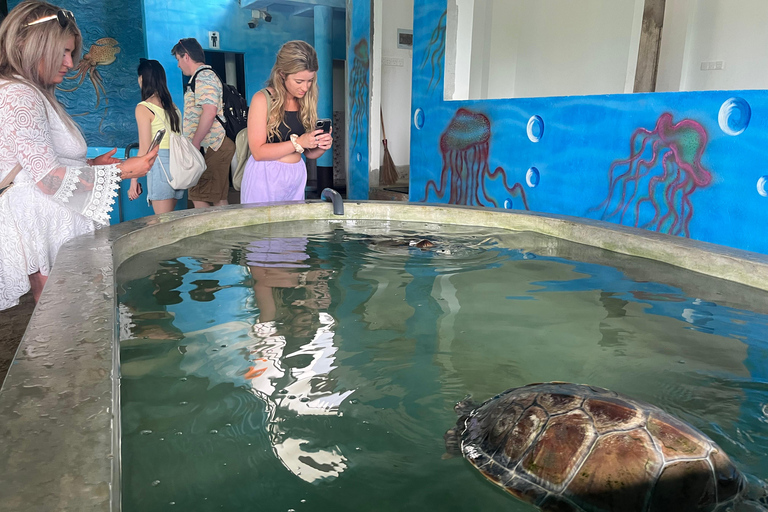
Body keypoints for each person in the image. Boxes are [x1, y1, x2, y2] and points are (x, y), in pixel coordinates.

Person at [0, 0, 158, 311]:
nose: (70, 63)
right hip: (41, 226)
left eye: (71, 53)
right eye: (63, 52)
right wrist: (125, 170)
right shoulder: (19, 94)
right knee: (66, 315)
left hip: (48, 222)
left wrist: (88, 164)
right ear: (30, 46)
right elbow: (47, 179)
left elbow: (37, 162)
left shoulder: (28, 90)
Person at [241, 40, 333, 204]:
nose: (305, 87)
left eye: (310, 80)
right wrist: (298, 142)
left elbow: (307, 153)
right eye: (299, 81)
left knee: (292, 228)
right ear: (282, 74)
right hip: (265, 177)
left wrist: (320, 146)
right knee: (262, 228)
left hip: (295, 176)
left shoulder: (305, 100)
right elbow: (258, 152)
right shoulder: (262, 99)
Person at [171, 38, 235, 209]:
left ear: (186, 56)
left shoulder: (203, 76)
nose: (178, 65)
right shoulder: (201, 77)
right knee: (216, 197)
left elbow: (209, 111)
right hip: (212, 146)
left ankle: (216, 235)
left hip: (212, 146)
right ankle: (223, 234)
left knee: (200, 195)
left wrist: (195, 142)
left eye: (178, 59)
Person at [128, 58, 184, 214]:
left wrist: (134, 180)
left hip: (160, 165)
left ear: (142, 78)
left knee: (161, 224)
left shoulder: (144, 107)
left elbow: (144, 149)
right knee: (167, 221)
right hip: (177, 165)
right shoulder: (173, 107)